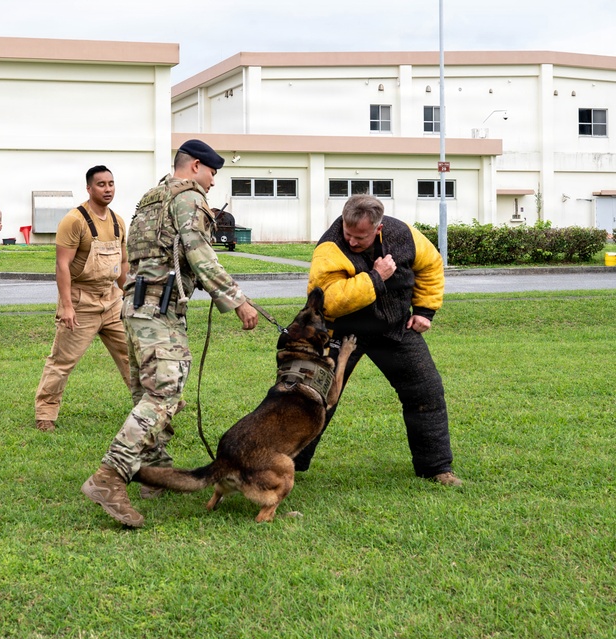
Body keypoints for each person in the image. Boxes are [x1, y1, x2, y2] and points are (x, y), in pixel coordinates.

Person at [81, 140, 259, 528]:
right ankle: (108, 478)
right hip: (158, 311)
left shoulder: (152, 196)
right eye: (212, 173)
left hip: (135, 306)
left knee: (147, 392)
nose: (213, 183)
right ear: (196, 166)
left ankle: (153, 474)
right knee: (164, 394)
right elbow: (199, 253)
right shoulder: (189, 197)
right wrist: (237, 299)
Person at [292, 193, 462, 486]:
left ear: (379, 229)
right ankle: (285, 465)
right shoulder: (330, 246)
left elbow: (431, 264)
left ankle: (437, 468)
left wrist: (425, 310)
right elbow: (328, 301)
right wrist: (375, 278)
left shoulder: (404, 235)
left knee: (427, 392)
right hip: (342, 333)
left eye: (361, 237)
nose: (353, 241)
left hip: (394, 328)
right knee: (312, 398)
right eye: (349, 234)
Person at [34, 167, 130, 432]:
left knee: (132, 354)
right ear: (89, 188)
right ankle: (45, 414)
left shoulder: (118, 221)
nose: (108, 188)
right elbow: (62, 265)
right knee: (62, 361)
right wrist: (67, 306)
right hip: (80, 302)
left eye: (111, 183)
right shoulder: (74, 221)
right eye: (101, 184)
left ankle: (151, 406)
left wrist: (130, 296)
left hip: (112, 300)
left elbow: (122, 263)